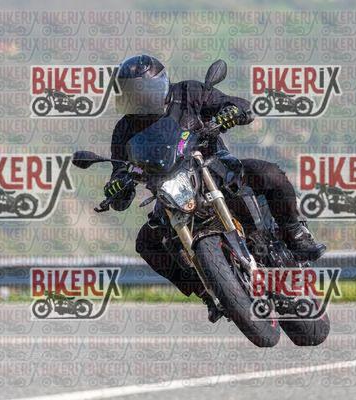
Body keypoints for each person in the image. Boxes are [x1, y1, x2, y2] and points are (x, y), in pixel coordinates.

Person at [75, 54, 326, 322]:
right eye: (132, 93)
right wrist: (116, 187)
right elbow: (120, 177)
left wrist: (231, 112)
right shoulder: (124, 130)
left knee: (268, 173)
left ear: (160, 84)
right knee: (147, 243)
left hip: (212, 166)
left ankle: (294, 231)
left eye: (143, 91)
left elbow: (236, 105)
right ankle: (208, 291)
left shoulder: (188, 93)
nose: (139, 98)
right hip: (170, 190)